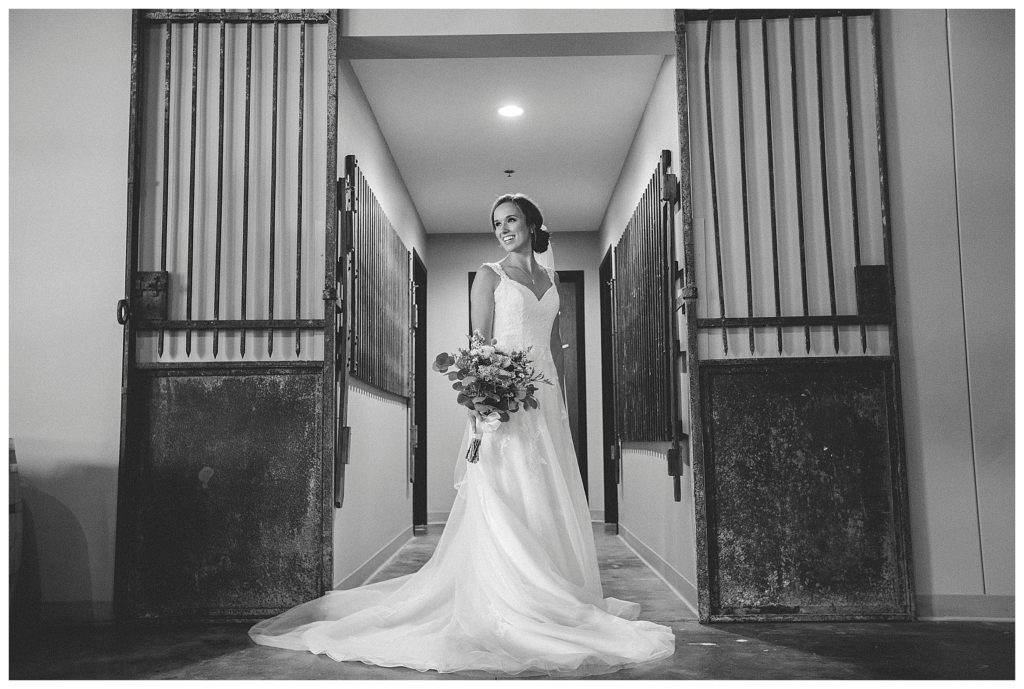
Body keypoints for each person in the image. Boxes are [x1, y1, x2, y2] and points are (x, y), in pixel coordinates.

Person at [249, 194, 675, 676]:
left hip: (546, 398)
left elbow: (551, 346)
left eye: (511, 220)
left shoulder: (551, 278)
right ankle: (508, 595)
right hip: (503, 396)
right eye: (497, 223)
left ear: (533, 224)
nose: (503, 229)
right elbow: (479, 343)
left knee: (545, 489)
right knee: (503, 487)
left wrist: (555, 395)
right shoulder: (489, 275)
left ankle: (553, 586)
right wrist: (482, 399)